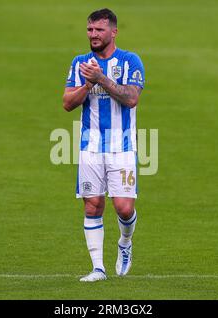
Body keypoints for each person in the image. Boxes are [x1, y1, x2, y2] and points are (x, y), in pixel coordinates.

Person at [62, 8, 145, 282]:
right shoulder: (79, 63)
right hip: (90, 146)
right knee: (92, 205)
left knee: (123, 207)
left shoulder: (131, 61)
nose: (93, 35)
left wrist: (101, 79)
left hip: (122, 147)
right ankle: (98, 268)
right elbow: (67, 104)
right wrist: (87, 85)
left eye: (99, 30)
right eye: (89, 30)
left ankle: (125, 242)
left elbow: (131, 98)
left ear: (113, 32)